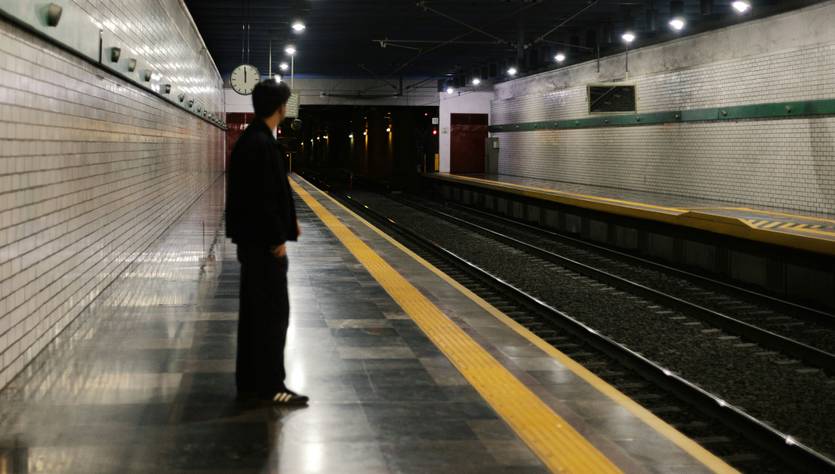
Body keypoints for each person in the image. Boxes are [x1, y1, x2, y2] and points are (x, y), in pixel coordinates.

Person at [225, 79, 308, 405]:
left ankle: (250, 383)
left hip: (252, 242)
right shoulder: (261, 143)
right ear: (280, 108)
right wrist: (277, 238)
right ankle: (271, 386)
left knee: (255, 315)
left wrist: (289, 222)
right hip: (263, 246)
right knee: (273, 316)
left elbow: (267, 193)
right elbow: (263, 198)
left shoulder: (252, 139)